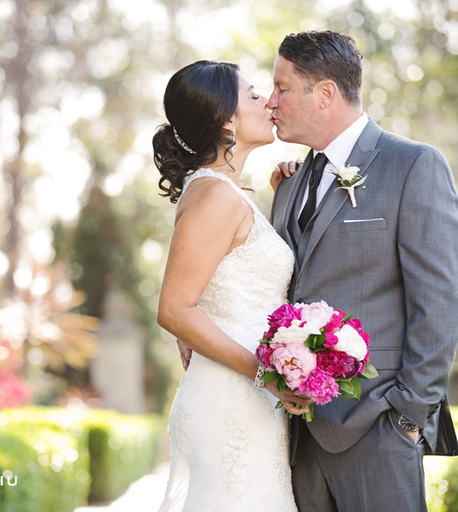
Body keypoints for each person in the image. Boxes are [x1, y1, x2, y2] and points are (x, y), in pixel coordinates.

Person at [267, 31, 458, 511]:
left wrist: (407, 416)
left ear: (326, 94)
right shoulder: (290, 184)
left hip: (379, 427)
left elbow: (440, 302)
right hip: (297, 435)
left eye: (282, 88)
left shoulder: (413, 165)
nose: (271, 102)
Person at [153, 60, 311, 512]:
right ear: (226, 118)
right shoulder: (216, 195)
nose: (267, 101)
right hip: (232, 401)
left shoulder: (224, 191)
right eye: (254, 93)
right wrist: (267, 374)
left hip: (243, 397)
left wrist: (283, 190)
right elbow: (174, 309)